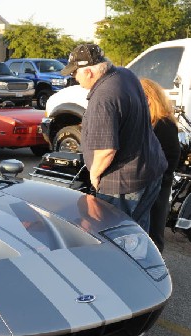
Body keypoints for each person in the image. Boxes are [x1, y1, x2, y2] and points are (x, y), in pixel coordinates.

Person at [61, 44, 167, 232]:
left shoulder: (103, 97)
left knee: (116, 237)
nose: (74, 79)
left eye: (74, 73)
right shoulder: (126, 75)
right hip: (149, 171)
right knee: (138, 233)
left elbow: (106, 150)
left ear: (89, 72)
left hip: (124, 184)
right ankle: (141, 261)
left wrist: (94, 175)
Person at [140, 78, 181, 252]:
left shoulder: (163, 123)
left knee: (154, 232)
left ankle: (154, 271)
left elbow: (170, 157)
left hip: (159, 184)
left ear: (149, 98)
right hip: (152, 182)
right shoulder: (151, 122)